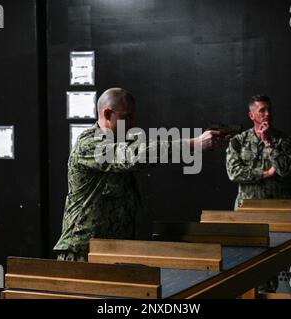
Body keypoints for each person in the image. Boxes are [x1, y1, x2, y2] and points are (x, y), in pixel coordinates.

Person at [54, 88, 227, 262]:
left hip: (114, 250)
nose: (133, 122)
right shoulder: (89, 144)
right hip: (83, 253)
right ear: (107, 114)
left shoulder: (121, 139)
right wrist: (195, 143)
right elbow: (135, 155)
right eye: (127, 117)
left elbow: (151, 147)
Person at [226, 94, 291, 293]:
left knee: (269, 263)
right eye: (262, 110)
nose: (267, 114)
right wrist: (264, 173)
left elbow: (284, 169)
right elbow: (234, 173)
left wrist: (268, 144)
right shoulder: (238, 141)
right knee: (242, 262)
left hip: (272, 209)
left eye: (269, 109)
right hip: (245, 211)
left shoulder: (283, 140)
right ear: (251, 115)